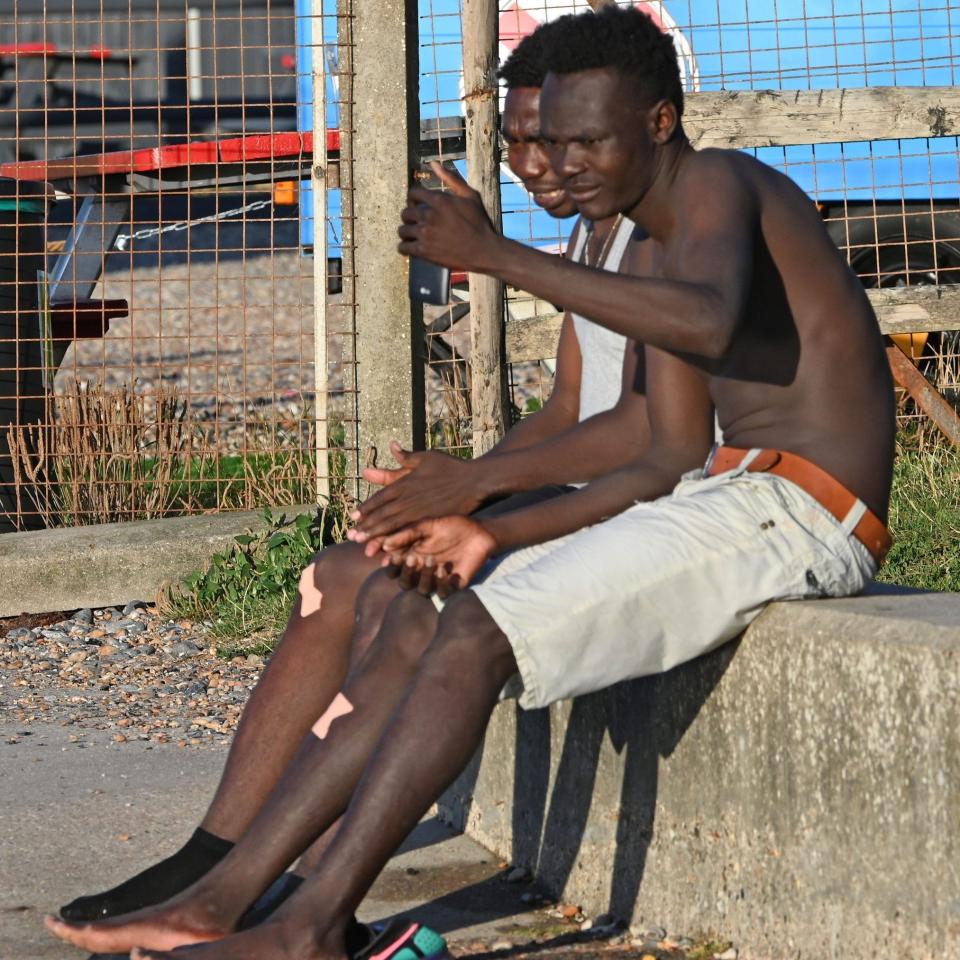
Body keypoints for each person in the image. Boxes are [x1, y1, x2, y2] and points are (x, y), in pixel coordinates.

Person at [47, 6, 894, 959]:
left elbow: (702, 327)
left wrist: (496, 259)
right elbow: (666, 445)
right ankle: (252, 902)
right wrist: (487, 520)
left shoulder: (718, 185)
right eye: (541, 140)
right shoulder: (653, 240)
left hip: (803, 508)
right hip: (731, 492)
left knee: (472, 630)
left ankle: (304, 926)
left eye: (583, 141)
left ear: (660, 122)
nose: (559, 163)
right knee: (444, 607)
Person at [49, 27, 648, 932]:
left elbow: (649, 434)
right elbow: (569, 406)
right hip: (577, 491)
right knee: (337, 568)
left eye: (558, 140)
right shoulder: (599, 233)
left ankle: (294, 893)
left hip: (636, 510)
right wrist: (465, 477)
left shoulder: (657, 236)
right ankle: (215, 857)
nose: (535, 164)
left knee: (399, 593)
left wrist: (473, 492)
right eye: (520, 141)